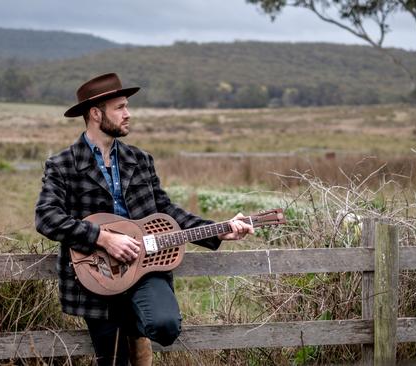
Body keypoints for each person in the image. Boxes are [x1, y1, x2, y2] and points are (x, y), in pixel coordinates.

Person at [35, 73, 253, 366]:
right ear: (96, 114)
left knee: (165, 325)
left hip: (146, 265)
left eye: (127, 106)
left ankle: (133, 321)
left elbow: (166, 212)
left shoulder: (140, 160)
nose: (128, 114)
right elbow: (46, 216)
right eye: (120, 107)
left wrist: (218, 230)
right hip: (97, 275)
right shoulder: (62, 164)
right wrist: (103, 238)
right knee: (113, 361)